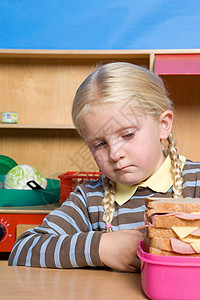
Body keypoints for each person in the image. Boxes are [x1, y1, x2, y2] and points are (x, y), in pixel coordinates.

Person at [8, 62, 200, 272]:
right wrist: (101, 248)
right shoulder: (89, 198)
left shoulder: (196, 182)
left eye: (127, 135)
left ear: (163, 125)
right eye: (100, 144)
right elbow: (22, 251)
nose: (115, 154)